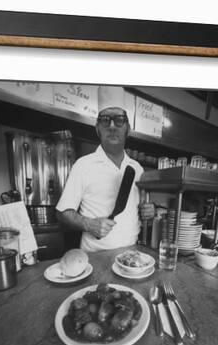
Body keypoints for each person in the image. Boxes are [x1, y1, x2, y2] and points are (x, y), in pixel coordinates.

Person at [56, 86, 155, 252]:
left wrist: (148, 212)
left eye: (119, 120)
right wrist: (89, 224)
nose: (112, 126)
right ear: (97, 128)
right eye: (105, 120)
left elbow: (139, 211)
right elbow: (62, 213)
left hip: (132, 255)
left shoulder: (136, 168)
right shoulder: (83, 165)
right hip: (95, 257)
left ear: (127, 129)